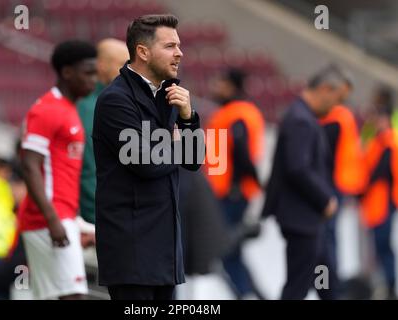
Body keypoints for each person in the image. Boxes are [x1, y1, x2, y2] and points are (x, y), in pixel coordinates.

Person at [93, 14, 204, 300]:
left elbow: (193, 161)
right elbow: (146, 163)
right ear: (143, 52)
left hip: (164, 249)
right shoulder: (115, 100)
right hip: (131, 251)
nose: (179, 53)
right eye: (170, 46)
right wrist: (174, 144)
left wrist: (189, 118)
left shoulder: (170, 95)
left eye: (178, 45)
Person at [262, 65, 350, 300]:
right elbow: (298, 168)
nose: (336, 107)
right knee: (298, 285)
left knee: (323, 278)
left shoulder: (302, 116)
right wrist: (325, 199)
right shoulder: (300, 119)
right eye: (336, 99)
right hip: (301, 217)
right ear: (324, 89)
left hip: (306, 217)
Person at [18, 40, 97, 300]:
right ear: (67, 73)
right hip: (47, 219)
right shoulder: (47, 110)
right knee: (73, 295)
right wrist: (53, 219)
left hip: (60, 216)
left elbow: (58, 174)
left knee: (57, 296)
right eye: (88, 73)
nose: (93, 80)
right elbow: (29, 165)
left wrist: (72, 220)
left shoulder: (69, 109)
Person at [205, 68, 265, 299]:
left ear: (232, 86)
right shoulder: (232, 112)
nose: (215, 88)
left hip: (232, 194)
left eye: (220, 83)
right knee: (232, 251)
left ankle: (246, 293)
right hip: (228, 192)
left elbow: (240, 151)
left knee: (226, 249)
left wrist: (238, 185)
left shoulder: (237, 113)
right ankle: (252, 293)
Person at [76, 38, 129, 250]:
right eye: (122, 64)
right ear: (102, 65)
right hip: (94, 221)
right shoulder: (90, 107)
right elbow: (89, 170)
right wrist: (95, 221)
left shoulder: (112, 101)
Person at [318, 78, 364, 295]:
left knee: (325, 239)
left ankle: (326, 285)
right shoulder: (343, 116)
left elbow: (324, 156)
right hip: (338, 185)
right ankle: (328, 284)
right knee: (329, 237)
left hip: (330, 186)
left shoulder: (334, 119)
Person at [360, 99, 398, 300]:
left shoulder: (389, 142)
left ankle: (390, 285)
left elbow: (381, 172)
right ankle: (381, 284)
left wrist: (362, 189)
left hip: (385, 201)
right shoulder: (378, 141)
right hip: (375, 202)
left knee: (383, 245)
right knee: (377, 246)